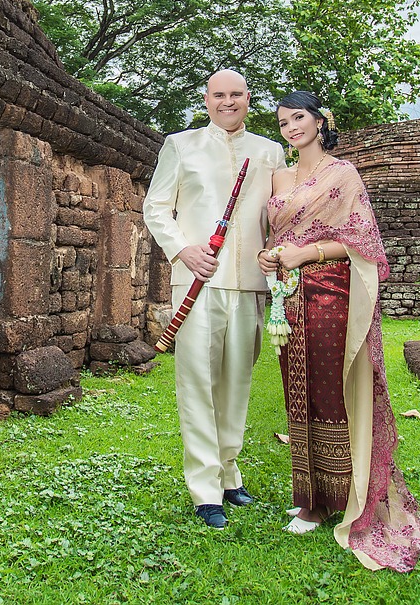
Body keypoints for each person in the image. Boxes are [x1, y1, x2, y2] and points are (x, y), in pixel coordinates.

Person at [257, 90, 420, 570]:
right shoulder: (280, 177)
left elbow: (363, 240)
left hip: (332, 294)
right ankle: (313, 493)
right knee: (297, 390)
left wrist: (307, 254)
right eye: (284, 122)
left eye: (299, 118)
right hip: (287, 297)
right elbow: (279, 236)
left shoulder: (342, 174)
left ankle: (339, 496)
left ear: (319, 120)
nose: (291, 128)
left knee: (333, 390)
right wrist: (272, 256)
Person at [143, 69, 286, 529]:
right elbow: (156, 207)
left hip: (251, 282)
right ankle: (205, 488)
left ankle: (229, 473)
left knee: (237, 385)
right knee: (198, 384)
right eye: (219, 95)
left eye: (237, 94)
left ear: (249, 98)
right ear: (206, 100)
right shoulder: (180, 145)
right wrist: (182, 250)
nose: (228, 102)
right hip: (198, 281)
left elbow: (279, 216)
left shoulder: (270, 152)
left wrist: (278, 254)